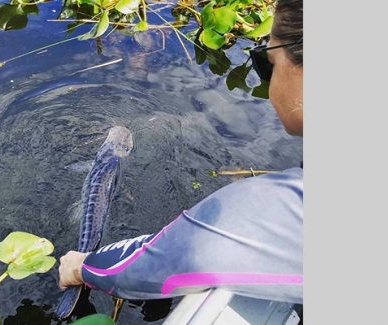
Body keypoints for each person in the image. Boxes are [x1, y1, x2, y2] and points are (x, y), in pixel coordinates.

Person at [57, 0, 304, 305]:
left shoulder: (276, 210)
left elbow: (165, 262)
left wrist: (81, 267)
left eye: (266, 62)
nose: (266, 82)